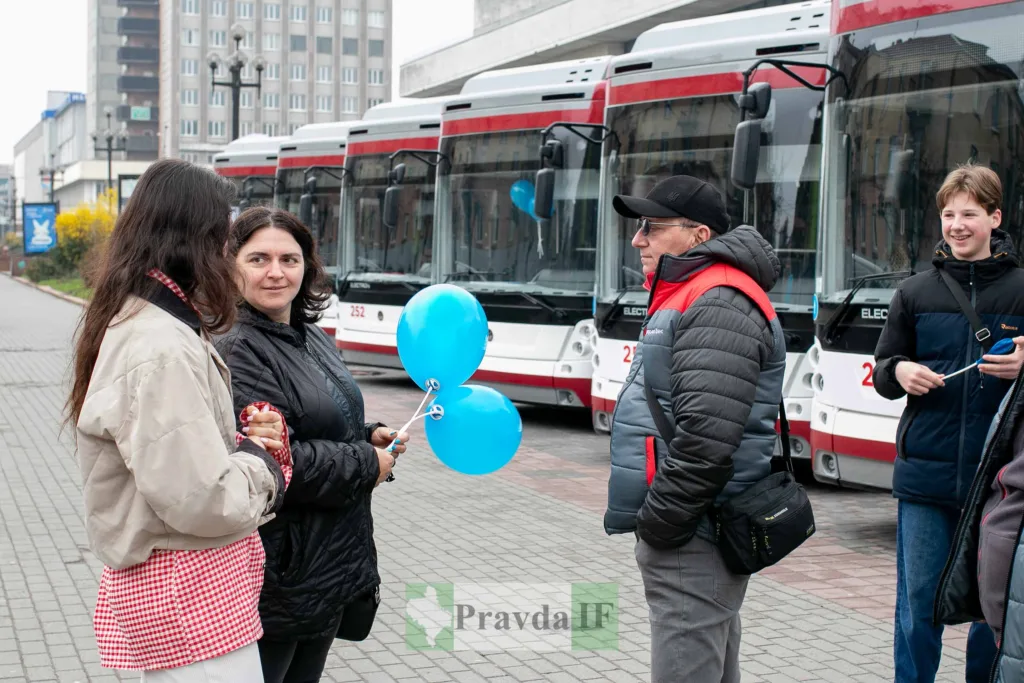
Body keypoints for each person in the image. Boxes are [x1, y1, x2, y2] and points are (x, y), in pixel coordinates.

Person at [69, 159, 292, 681]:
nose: (228, 258)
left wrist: (233, 445)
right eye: (224, 239)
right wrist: (263, 464)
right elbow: (202, 499)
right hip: (188, 593)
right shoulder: (161, 344)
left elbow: (174, 461)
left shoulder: (148, 320)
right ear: (196, 239)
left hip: (182, 589)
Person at [604, 175, 787, 682]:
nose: (638, 239)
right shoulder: (698, 293)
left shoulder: (718, 301)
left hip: (695, 531)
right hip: (696, 526)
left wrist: (661, 524)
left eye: (651, 227)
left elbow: (707, 438)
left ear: (699, 236)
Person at [215, 206, 410, 683]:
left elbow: (315, 419)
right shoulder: (239, 346)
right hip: (280, 566)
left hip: (325, 560)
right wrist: (368, 462)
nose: (277, 272)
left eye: (290, 259)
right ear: (231, 265)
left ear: (308, 266)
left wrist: (369, 434)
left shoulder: (309, 335)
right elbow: (278, 461)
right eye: (259, 259)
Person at [871, 163, 1024, 682]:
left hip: (1003, 481)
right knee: (917, 606)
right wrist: (901, 371)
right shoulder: (914, 293)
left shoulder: (1023, 290)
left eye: (970, 214)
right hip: (925, 479)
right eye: (949, 214)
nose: (957, 225)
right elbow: (883, 371)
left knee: (994, 606)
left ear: (994, 217)